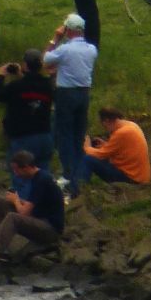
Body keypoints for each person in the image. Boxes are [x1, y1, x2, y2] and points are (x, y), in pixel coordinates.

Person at [0, 151, 65, 267]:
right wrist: (17, 200)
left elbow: (24, 212)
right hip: (39, 219)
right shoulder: (37, 178)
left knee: (13, 218)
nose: (16, 173)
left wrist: (15, 200)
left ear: (27, 167)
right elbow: (35, 204)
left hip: (50, 230)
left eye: (17, 170)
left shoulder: (42, 180)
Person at [44, 14, 99, 196]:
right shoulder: (92, 49)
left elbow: (45, 60)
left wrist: (55, 38)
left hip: (66, 94)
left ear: (68, 30)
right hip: (84, 94)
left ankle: (68, 175)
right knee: (78, 134)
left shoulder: (65, 50)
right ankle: (78, 174)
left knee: (65, 135)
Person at [0, 50, 56, 174]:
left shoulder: (16, 86)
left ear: (25, 65)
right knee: (43, 177)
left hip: (22, 138)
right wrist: (21, 74)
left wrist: (0, 76)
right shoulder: (48, 85)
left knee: (21, 178)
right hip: (44, 136)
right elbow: (33, 85)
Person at [83, 107, 151, 188]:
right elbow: (121, 149)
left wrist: (87, 147)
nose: (106, 129)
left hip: (131, 177)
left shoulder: (121, 133)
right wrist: (105, 145)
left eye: (105, 126)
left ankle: (80, 186)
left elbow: (100, 155)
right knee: (93, 154)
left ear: (107, 121)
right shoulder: (131, 125)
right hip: (139, 175)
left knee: (87, 159)